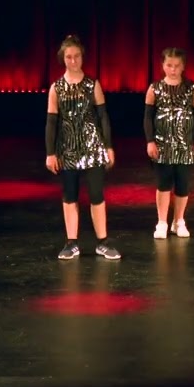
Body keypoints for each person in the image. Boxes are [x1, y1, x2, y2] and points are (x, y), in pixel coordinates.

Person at [45, 35, 121, 260]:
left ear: (82, 57)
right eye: (69, 57)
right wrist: (50, 153)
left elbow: (103, 116)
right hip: (67, 149)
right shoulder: (56, 88)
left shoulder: (92, 84)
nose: (73, 61)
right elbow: (51, 122)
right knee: (70, 196)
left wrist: (108, 146)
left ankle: (102, 242)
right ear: (63, 59)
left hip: (93, 148)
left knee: (97, 194)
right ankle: (71, 243)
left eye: (76, 56)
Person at [144, 48, 194, 240]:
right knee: (163, 184)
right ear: (163, 66)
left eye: (177, 66)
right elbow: (147, 118)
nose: (173, 69)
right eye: (169, 65)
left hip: (185, 145)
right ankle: (162, 221)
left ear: (183, 66)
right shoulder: (154, 88)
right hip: (162, 145)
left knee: (182, 184)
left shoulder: (192, 87)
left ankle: (179, 220)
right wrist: (150, 141)